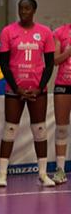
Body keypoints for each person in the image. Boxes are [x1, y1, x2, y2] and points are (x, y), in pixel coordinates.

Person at [0, 0, 55, 188]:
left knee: (40, 129)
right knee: (10, 129)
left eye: (27, 8)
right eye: (21, 8)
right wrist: (17, 88)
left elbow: (49, 65)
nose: (23, 12)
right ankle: (2, 174)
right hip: (15, 90)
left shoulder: (45, 32)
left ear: (34, 10)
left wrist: (39, 87)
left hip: (37, 90)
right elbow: (4, 64)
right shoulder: (8, 31)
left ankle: (43, 174)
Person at [49, 19, 70, 184]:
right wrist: (68, 52)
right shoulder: (60, 32)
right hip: (63, 84)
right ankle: (60, 170)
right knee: (61, 128)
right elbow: (55, 60)